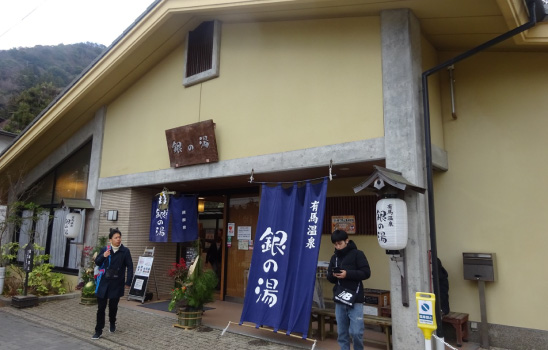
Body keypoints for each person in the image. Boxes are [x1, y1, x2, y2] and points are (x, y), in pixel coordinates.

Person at [327, 230, 371, 350]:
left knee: (357, 332)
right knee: (342, 333)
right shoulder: (334, 257)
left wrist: (347, 274)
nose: (337, 246)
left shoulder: (358, 254)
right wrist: (332, 275)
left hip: (355, 299)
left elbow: (366, 273)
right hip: (340, 299)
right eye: (335, 244)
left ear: (347, 241)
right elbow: (329, 278)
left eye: (340, 243)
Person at [92, 228, 133, 340]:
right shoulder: (105, 249)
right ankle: (98, 330)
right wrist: (103, 256)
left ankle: (112, 322)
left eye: (119, 237)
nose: (118, 239)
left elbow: (130, 267)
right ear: (110, 239)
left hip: (117, 282)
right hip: (104, 282)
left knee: (113, 306)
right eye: (116, 237)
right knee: (101, 308)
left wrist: (128, 281)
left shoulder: (125, 251)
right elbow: (97, 262)